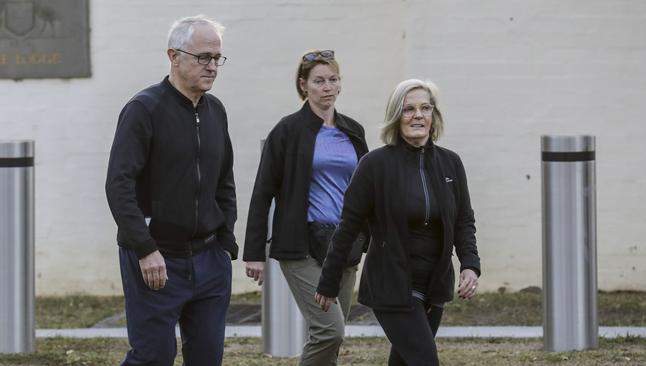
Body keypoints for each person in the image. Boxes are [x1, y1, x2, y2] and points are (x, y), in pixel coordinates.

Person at [316, 79, 481, 365]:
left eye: (425, 108)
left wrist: (470, 264)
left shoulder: (450, 163)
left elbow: (464, 220)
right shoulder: (375, 165)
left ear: (434, 116)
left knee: (406, 360)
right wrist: (329, 282)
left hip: (435, 284)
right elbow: (348, 226)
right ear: (396, 116)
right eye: (408, 109)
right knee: (425, 360)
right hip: (392, 285)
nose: (418, 115)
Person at [105, 15, 236, 366]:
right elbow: (119, 185)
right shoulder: (143, 109)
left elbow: (224, 182)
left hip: (209, 260)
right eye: (203, 57)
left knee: (207, 357)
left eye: (217, 58)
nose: (212, 67)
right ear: (174, 56)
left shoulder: (215, 112)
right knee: (153, 357)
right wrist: (146, 249)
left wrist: (225, 241)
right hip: (156, 260)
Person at [243, 49, 369, 365]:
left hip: (344, 246)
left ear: (340, 84)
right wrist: (254, 252)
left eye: (333, 79)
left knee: (329, 336)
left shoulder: (353, 131)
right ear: (304, 86)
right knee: (330, 330)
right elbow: (262, 193)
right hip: (301, 247)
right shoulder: (286, 131)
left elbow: (369, 189)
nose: (327, 87)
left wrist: (373, 237)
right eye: (319, 81)